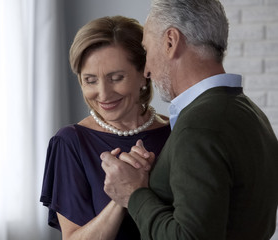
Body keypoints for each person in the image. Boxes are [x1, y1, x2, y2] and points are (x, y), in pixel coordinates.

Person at [101, 0, 278, 239]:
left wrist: (133, 193)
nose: (146, 70)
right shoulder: (251, 115)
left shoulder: (199, 126)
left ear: (171, 42)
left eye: (147, 50)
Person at [39, 16, 170, 239]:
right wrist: (124, 195)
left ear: (144, 75)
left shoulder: (174, 132)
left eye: (116, 78)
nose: (103, 93)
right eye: (90, 80)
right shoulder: (70, 143)